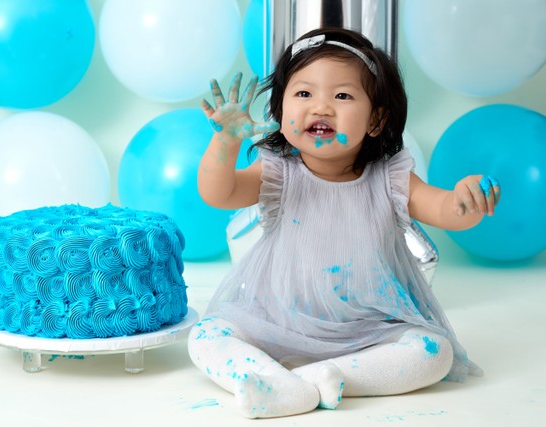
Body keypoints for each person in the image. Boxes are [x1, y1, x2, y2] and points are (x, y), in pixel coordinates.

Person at [187, 27, 500, 419]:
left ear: (376, 119)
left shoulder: (391, 177)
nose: (321, 107)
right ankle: (268, 377)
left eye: (342, 95)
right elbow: (219, 194)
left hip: (368, 331)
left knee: (433, 353)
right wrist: (225, 142)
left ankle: (323, 377)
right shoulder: (278, 173)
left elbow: (443, 209)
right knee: (206, 335)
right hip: (277, 321)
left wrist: (465, 199)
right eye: (303, 93)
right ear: (281, 110)